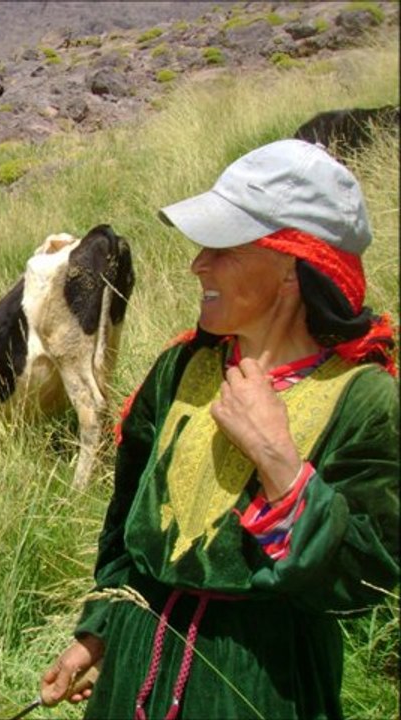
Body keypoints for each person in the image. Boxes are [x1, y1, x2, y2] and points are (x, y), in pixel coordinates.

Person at [39, 138, 399, 719]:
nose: (197, 263)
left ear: (292, 265)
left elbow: (365, 582)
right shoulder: (178, 371)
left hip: (257, 690)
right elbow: (125, 527)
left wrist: (276, 458)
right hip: (131, 674)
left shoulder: (364, 399)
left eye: (223, 247)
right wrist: (100, 630)